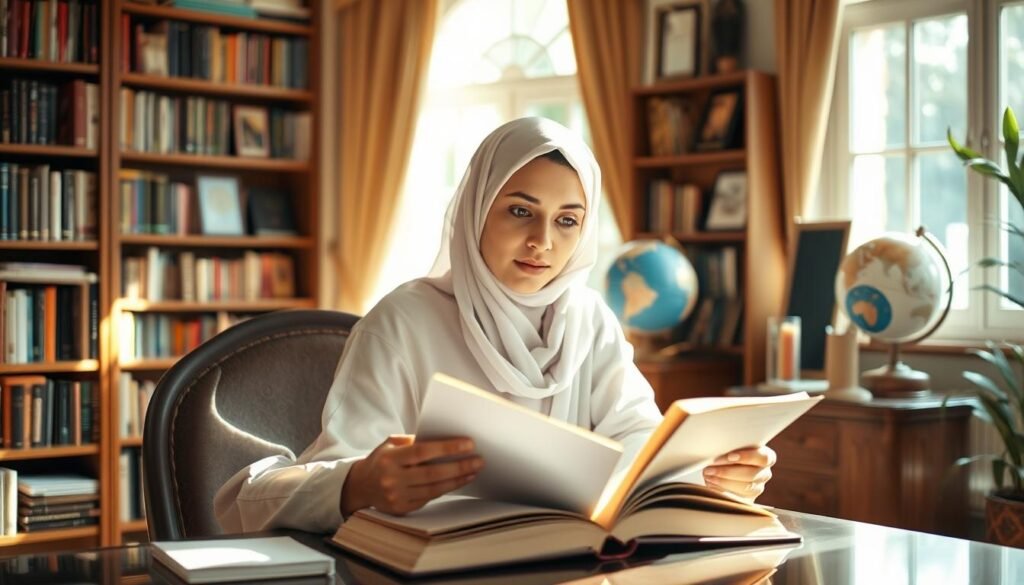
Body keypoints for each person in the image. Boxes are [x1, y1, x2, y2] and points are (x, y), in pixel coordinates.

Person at [214, 117, 776, 534]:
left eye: (567, 221)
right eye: (519, 210)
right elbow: (299, 487)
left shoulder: (593, 321)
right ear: (476, 207)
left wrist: (709, 476)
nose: (543, 242)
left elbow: (639, 446)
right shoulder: (402, 321)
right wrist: (363, 481)